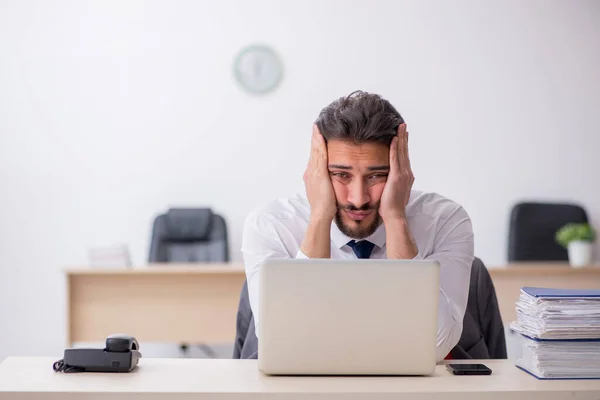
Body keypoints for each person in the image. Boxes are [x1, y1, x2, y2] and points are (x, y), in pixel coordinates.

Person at [241, 90, 474, 362]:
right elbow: (289, 344)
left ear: (401, 172)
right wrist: (320, 217)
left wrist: (396, 218)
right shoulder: (270, 225)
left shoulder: (445, 221)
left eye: (376, 176)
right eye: (340, 175)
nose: (358, 199)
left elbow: (433, 345)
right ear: (317, 171)